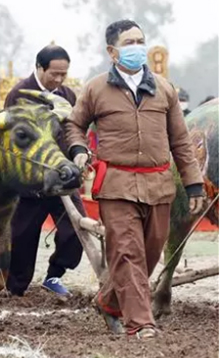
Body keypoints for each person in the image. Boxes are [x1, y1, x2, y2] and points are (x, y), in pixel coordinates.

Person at [65, 20, 204, 338]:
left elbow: (181, 141)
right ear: (112, 52)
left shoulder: (164, 88)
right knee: (128, 253)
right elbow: (74, 125)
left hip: (158, 185)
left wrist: (193, 182)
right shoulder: (96, 88)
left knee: (151, 251)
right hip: (117, 184)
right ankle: (141, 323)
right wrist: (78, 149)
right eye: (129, 43)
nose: (137, 47)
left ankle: (109, 301)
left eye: (141, 40)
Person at [3, 45, 84, 297]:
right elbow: (12, 139)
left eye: (64, 74)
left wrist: (79, 152)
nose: (59, 80)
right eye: (54, 74)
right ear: (39, 68)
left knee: (76, 229)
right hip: (31, 181)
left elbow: (73, 129)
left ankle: (54, 275)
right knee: (22, 238)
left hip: (63, 177)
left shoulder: (68, 95)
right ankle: (14, 289)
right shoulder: (19, 95)